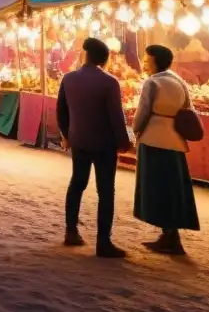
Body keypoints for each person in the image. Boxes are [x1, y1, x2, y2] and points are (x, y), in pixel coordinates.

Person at [56, 37, 130, 258]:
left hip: (79, 140)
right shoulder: (109, 82)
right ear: (105, 59)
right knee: (106, 190)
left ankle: (71, 231)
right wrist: (123, 142)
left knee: (77, 183)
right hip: (104, 142)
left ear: (85, 54)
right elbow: (116, 116)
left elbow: (61, 111)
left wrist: (68, 134)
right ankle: (103, 242)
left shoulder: (68, 78)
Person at [132, 45, 200, 255]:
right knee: (173, 190)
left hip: (154, 139)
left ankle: (169, 236)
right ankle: (170, 235)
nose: (144, 63)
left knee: (157, 189)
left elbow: (142, 114)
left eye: (147, 59)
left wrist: (136, 131)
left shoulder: (152, 83)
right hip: (175, 141)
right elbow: (188, 108)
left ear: (155, 62)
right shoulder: (179, 81)